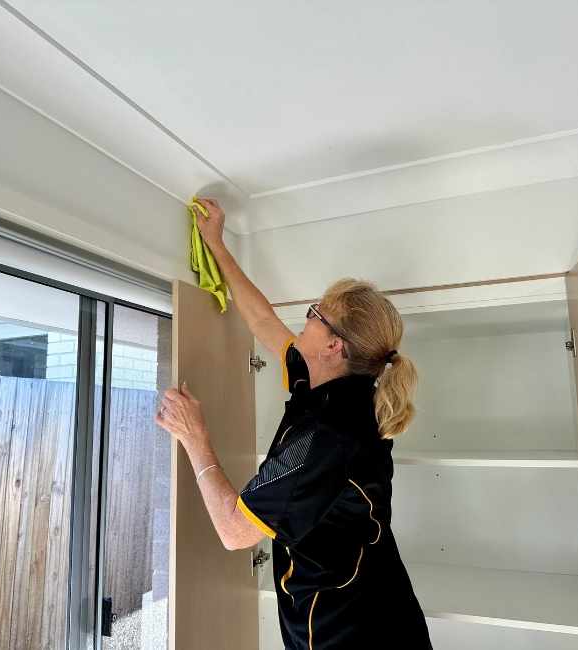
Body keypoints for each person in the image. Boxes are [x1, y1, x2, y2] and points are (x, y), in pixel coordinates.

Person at [155, 198, 433, 649]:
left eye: (314, 315)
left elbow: (234, 531)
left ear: (335, 347)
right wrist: (217, 245)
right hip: (380, 612)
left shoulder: (328, 434)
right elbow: (263, 319)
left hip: (352, 633)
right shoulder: (325, 382)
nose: (304, 319)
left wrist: (194, 437)